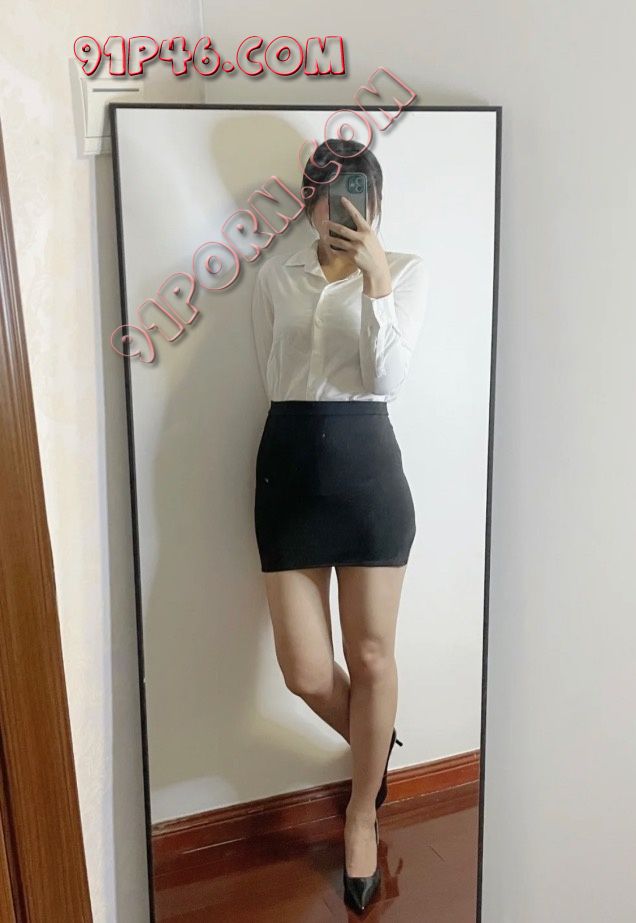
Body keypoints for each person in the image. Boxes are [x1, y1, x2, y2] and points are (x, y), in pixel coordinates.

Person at [251, 138, 429, 913]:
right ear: (307, 201)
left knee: (372, 655)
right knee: (305, 669)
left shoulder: (407, 269)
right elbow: (272, 372)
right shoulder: (275, 276)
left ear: (374, 200)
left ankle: (361, 812)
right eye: (325, 192)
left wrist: (376, 280)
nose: (339, 205)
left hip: (368, 474)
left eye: (354, 191)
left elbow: (386, 378)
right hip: (288, 468)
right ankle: (373, 742)